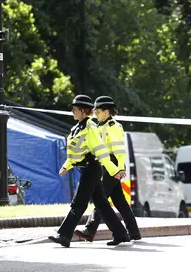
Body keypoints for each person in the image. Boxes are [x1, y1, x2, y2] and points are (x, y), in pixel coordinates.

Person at [48, 94, 130, 248]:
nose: (72, 111)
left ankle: (64, 235)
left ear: (83, 111)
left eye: (75, 109)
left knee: (79, 202)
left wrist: (115, 170)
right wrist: (67, 165)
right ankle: (121, 233)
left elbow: (101, 152)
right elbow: (75, 153)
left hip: (92, 169)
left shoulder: (90, 128)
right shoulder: (76, 128)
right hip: (84, 169)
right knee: (102, 205)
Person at [75, 95, 142, 242]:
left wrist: (119, 168)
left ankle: (90, 228)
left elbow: (119, 150)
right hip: (105, 164)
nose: (96, 114)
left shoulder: (114, 127)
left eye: (98, 111)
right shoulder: (99, 126)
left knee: (100, 198)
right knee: (120, 202)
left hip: (113, 163)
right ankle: (133, 233)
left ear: (107, 112)